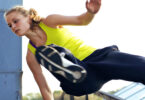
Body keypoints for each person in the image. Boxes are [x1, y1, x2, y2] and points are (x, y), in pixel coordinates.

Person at [4, 0, 145, 99]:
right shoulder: (31, 56)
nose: (13, 27)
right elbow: (45, 87)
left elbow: (81, 20)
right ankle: (69, 69)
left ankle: (64, 63)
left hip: (98, 58)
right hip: (84, 78)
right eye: (10, 25)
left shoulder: (50, 21)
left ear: (28, 17)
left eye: (15, 21)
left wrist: (90, 13)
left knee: (141, 66)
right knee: (45, 52)